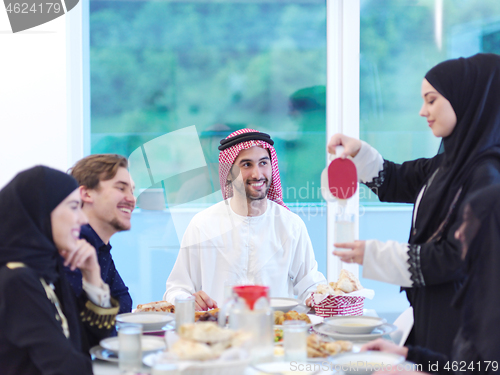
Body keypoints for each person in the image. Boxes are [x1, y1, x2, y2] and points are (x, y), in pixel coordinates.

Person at [328, 53, 500, 357]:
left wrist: (377, 255)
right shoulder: (449, 163)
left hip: (458, 327)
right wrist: (358, 153)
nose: (423, 111)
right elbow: (396, 179)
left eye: (431, 100)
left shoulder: (487, 177)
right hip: (432, 315)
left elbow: (455, 258)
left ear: (465, 99)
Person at [164, 128, 327, 310]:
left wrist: (320, 297)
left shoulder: (291, 225)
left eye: (263, 163)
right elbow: (176, 289)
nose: (257, 174)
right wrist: (186, 300)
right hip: (220, 332)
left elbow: (311, 285)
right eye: (247, 165)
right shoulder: (202, 225)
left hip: (275, 333)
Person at [362, 183, 500, 375]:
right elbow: (465, 368)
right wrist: (407, 353)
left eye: (468, 221)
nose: (458, 234)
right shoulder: (482, 297)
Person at [0, 166, 119, 375]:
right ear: (41, 211)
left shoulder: (47, 271)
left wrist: (92, 276)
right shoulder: (16, 279)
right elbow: (66, 367)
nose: (82, 219)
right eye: (74, 207)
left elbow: (94, 342)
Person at [67, 154, 135, 314]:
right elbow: (86, 323)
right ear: (87, 194)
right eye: (121, 188)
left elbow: (124, 302)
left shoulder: (99, 246)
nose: (132, 199)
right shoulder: (72, 247)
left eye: (132, 191)